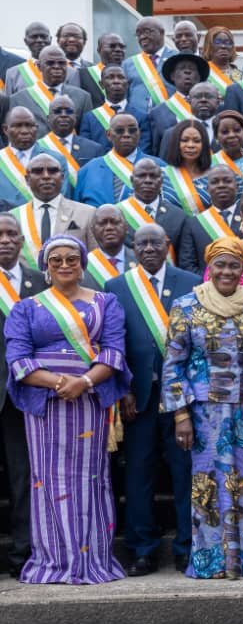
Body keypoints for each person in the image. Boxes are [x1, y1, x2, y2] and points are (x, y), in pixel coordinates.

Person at [5, 235, 129, 583]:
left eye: (71, 258)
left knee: (91, 478)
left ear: (82, 263)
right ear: (45, 265)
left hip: (90, 402)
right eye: (55, 259)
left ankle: (93, 560)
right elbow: (17, 360)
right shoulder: (26, 308)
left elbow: (114, 352)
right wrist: (60, 383)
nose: (63, 264)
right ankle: (54, 562)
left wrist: (84, 382)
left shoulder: (107, 303)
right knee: (48, 479)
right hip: (45, 406)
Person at [161, 237, 243, 578]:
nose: (227, 271)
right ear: (209, 268)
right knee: (208, 481)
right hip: (204, 413)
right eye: (220, 265)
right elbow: (173, 363)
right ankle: (212, 561)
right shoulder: (186, 306)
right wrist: (181, 415)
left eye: (234, 265)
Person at [105, 224, 200, 576]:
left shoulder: (191, 282)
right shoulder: (117, 287)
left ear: (167, 245)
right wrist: (124, 389)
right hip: (139, 400)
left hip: (183, 400)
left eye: (154, 242)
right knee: (139, 476)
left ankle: (187, 548)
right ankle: (141, 550)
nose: (148, 248)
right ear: (134, 247)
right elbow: (112, 344)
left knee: (185, 474)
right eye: (141, 243)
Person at [0, 213, 46, 578]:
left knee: (22, 476)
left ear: (22, 240)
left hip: (25, 396)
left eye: (11, 233)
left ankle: (23, 553)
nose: (4, 239)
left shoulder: (39, 282)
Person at [160, 119, 212, 216]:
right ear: (176, 143)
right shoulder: (162, 175)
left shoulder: (216, 175)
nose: (190, 145)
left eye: (196, 141)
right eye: (184, 140)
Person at [84, 205, 136, 287]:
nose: (109, 227)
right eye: (102, 223)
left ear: (126, 227)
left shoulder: (140, 261)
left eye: (115, 222)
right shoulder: (83, 265)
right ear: (92, 230)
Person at [211, 110, 243, 178]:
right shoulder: (210, 164)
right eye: (225, 132)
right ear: (216, 137)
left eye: (237, 130)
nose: (231, 135)